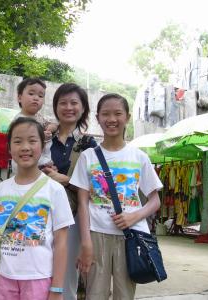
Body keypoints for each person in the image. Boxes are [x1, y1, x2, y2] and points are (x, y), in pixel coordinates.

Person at [0, 117, 74, 300]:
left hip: (39, 280)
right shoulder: (1, 189)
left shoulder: (55, 190)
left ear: (42, 146)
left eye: (32, 141)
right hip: (3, 279)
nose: (25, 147)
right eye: (18, 141)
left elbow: (61, 244)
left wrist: (57, 289)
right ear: (9, 148)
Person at [69, 93, 163, 300]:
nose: (112, 119)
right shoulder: (88, 157)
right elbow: (83, 203)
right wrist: (85, 243)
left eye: (118, 114)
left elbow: (155, 200)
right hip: (96, 234)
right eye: (106, 114)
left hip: (131, 237)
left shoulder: (139, 157)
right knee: (95, 294)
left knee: (125, 295)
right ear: (98, 118)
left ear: (127, 117)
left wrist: (135, 216)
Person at [41, 83, 96, 300]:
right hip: (41, 212)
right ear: (55, 107)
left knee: (66, 278)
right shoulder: (44, 139)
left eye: (74, 102)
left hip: (72, 217)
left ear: (83, 108)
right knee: (38, 268)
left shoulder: (88, 144)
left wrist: (62, 178)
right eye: (62, 102)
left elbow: (95, 187)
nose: (68, 107)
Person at [13, 78, 58, 167]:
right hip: (25, 162)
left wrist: (50, 128)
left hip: (42, 160)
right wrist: (42, 137)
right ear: (19, 98)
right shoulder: (19, 120)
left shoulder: (39, 117)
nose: (36, 98)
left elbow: (53, 124)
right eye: (31, 94)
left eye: (40, 96)